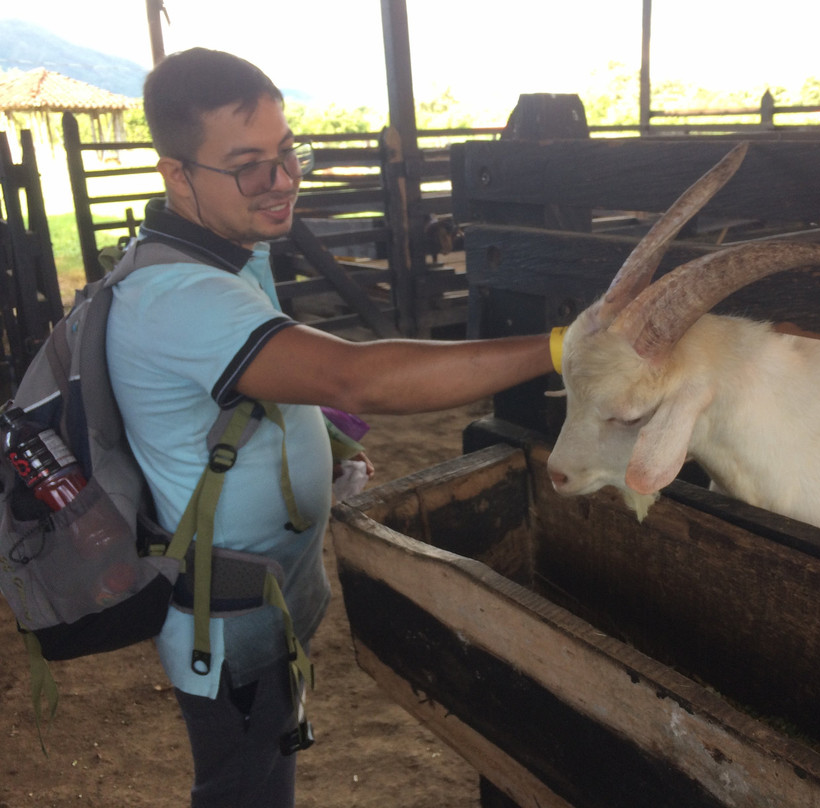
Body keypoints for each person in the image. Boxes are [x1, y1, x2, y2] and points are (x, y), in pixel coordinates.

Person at [106, 47, 555, 808]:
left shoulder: (227, 255)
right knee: (244, 787)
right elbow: (356, 376)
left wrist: (330, 445)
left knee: (263, 762)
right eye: (248, 164)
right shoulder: (175, 295)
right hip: (226, 618)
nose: (282, 181)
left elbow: (258, 388)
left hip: (268, 594)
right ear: (176, 174)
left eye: (287, 153)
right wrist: (560, 347)